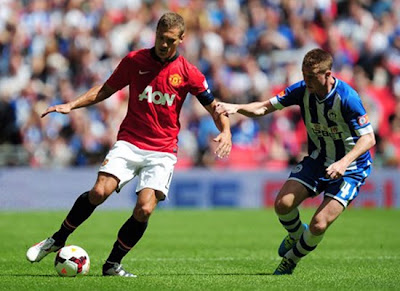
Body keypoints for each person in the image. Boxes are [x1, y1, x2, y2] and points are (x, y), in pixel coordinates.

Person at [26, 12, 232, 277]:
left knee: (145, 208)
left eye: (170, 40)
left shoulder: (189, 73)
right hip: (130, 142)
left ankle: (112, 264)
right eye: (160, 38)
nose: (163, 44)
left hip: (162, 150)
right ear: (155, 34)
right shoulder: (135, 60)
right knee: (99, 191)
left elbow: (214, 107)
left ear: (181, 39)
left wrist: (225, 130)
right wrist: (72, 105)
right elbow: (106, 89)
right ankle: (56, 239)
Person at [216, 48, 375, 275]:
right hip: (319, 158)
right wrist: (236, 108)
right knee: (282, 204)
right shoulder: (301, 90)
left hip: (351, 167)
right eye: (304, 75)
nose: (307, 81)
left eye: (312, 76)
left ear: (328, 74)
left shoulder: (347, 98)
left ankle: (291, 260)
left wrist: (343, 162)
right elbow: (264, 107)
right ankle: (296, 234)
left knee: (320, 223)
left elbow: (368, 138)